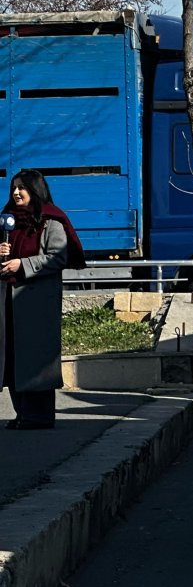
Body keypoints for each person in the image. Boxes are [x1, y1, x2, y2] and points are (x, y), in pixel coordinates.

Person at [0, 169, 85, 430]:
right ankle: (22, 413)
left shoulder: (51, 221)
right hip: (9, 303)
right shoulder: (8, 222)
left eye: (22, 188)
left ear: (35, 190)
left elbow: (58, 257)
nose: (16, 192)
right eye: (14, 187)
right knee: (12, 358)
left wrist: (22, 264)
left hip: (36, 304)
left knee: (35, 358)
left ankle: (39, 416)